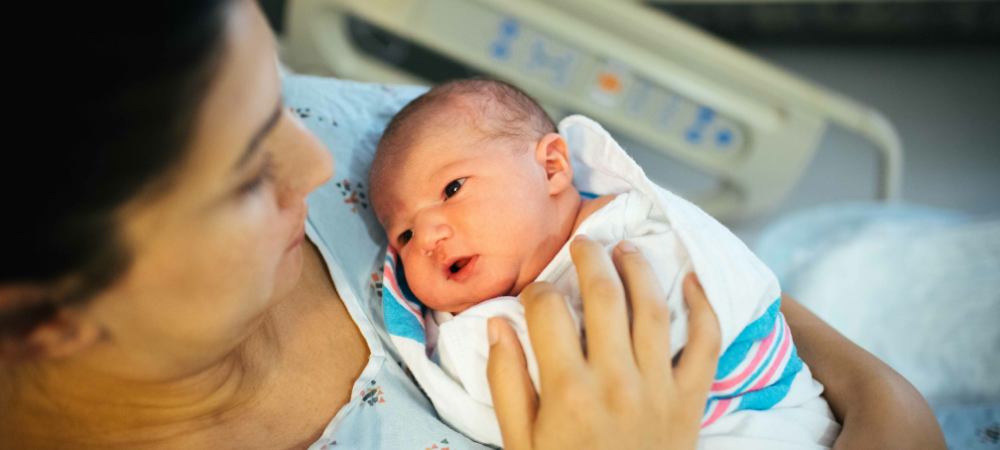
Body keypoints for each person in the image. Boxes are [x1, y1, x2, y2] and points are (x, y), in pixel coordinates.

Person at [0, 1, 945, 449]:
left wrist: (889, 408)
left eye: (277, 96)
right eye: (249, 175)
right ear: (47, 316)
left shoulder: (377, 146)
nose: (323, 166)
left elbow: (686, 270)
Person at [368, 79, 838, 447]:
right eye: (404, 235)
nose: (427, 238)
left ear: (552, 167)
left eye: (452, 188)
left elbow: (718, 293)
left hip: (767, 417)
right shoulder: (466, 332)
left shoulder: (634, 225)